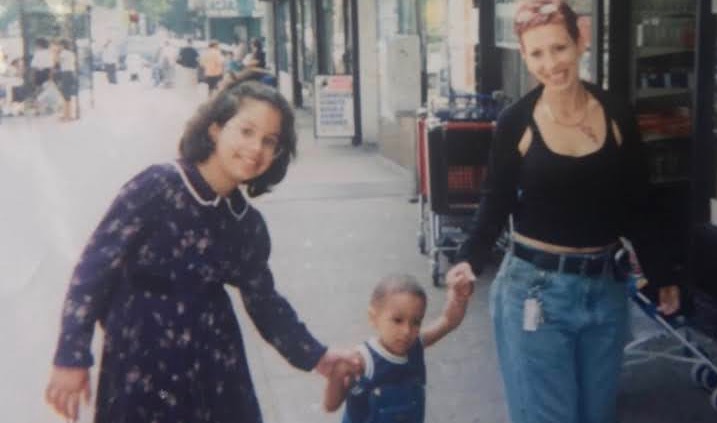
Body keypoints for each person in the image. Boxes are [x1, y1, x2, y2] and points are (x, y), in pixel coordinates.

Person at [44, 80, 359, 423]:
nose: (256, 148)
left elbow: (265, 303)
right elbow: (94, 270)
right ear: (215, 129)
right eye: (246, 131)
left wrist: (317, 356)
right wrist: (70, 357)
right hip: (142, 358)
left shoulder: (247, 224)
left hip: (215, 366)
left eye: (270, 141)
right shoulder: (159, 186)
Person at [446, 1, 681, 423]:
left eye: (559, 48)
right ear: (524, 56)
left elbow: (638, 201)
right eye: (537, 53)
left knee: (597, 415)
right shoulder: (516, 122)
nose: (551, 64)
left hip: (605, 291)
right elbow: (495, 199)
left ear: (580, 42)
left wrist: (662, 273)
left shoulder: (616, 114)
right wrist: (468, 259)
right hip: (534, 294)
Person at [323, 274, 471, 423]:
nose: (407, 331)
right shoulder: (363, 360)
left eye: (416, 322)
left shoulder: (416, 345)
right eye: (397, 320)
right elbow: (330, 405)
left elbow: (448, 321)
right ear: (373, 318)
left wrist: (459, 299)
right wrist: (337, 374)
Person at [53, 39, 77, 121]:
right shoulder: (70, 53)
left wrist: (56, 52)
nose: (58, 47)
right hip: (71, 73)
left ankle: (68, 116)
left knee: (66, 95)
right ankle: (67, 114)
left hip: (66, 74)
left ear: (63, 45)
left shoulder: (64, 53)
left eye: (59, 45)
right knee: (67, 95)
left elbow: (56, 61)